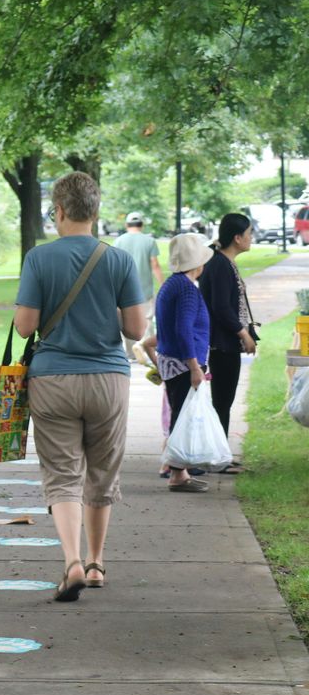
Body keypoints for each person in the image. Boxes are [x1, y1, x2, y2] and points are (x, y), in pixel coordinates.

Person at [13, 172, 147, 601]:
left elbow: (25, 327)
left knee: (63, 473)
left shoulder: (38, 258)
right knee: (102, 472)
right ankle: (95, 563)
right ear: (95, 211)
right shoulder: (119, 259)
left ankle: (70, 560)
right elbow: (135, 329)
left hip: (53, 380)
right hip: (108, 379)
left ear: (59, 211)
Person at [154, 233, 214, 492]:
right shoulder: (187, 290)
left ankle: (180, 471)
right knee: (182, 418)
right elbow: (183, 329)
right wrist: (194, 366)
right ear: (197, 265)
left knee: (180, 415)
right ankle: (177, 474)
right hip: (181, 364)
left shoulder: (172, 284)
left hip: (170, 361)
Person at [198, 213, 257, 451]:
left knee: (223, 401)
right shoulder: (220, 264)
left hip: (223, 343)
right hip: (221, 344)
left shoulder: (222, 262)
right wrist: (243, 334)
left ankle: (219, 453)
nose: (251, 238)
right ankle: (219, 455)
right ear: (237, 238)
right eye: (249, 233)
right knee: (222, 402)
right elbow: (221, 307)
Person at [112, 212, 164, 358]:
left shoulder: (119, 241)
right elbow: (154, 264)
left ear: (126, 225)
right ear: (141, 225)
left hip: (123, 290)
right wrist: (162, 284)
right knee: (147, 319)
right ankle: (146, 350)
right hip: (145, 290)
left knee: (126, 319)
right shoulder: (149, 241)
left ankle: (131, 353)